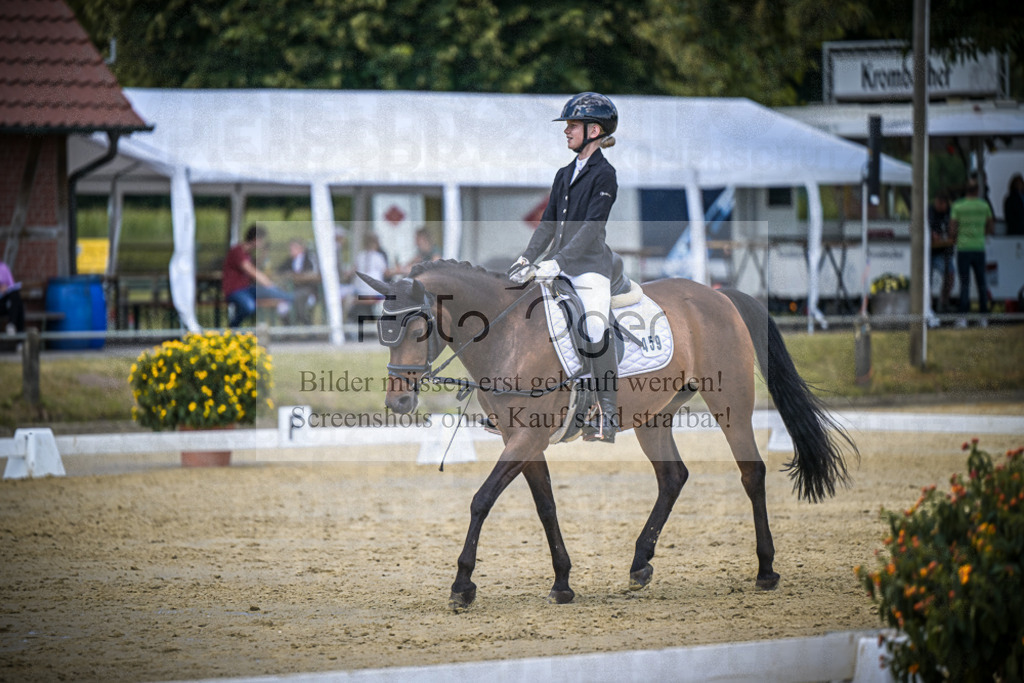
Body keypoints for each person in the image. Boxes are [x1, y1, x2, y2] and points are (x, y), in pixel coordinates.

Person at [508, 92, 620, 443]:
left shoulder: (605, 175)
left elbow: (591, 229)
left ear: (593, 130)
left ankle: (606, 412)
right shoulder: (563, 173)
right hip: (557, 265)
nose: (566, 131)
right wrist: (527, 259)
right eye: (568, 125)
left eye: (572, 125)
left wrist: (558, 262)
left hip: (589, 269)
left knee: (595, 328)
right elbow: (547, 223)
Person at [222, 224, 293, 328]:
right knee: (249, 306)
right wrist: (269, 284)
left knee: (279, 295)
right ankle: (231, 328)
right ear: (256, 239)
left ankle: (292, 299)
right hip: (234, 290)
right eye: (262, 240)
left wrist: (264, 254)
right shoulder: (237, 251)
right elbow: (252, 271)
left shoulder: (247, 254)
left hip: (246, 289)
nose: (262, 243)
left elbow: (256, 267)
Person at [950, 180, 995, 326]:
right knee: (982, 282)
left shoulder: (958, 206)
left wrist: (956, 238)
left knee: (965, 283)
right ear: (977, 191)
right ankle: (983, 317)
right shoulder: (984, 205)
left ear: (965, 190)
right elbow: (991, 226)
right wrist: (982, 233)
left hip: (963, 248)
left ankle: (963, 317)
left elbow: (952, 228)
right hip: (979, 247)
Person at [345, 232, 390, 340]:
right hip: (375, 293)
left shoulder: (360, 256)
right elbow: (386, 272)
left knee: (350, 300)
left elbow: (352, 271)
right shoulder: (378, 257)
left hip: (361, 292)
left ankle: (351, 331)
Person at [277, 239, 318, 325]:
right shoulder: (289, 260)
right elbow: (280, 271)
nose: (291, 251)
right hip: (293, 289)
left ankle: (303, 321)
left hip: (307, 289)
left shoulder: (309, 259)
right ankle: (289, 329)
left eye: (293, 248)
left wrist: (297, 277)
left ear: (301, 248)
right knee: (284, 301)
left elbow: (313, 274)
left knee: (297, 299)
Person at [927, 191, 955, 313]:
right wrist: (931, 234)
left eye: (941, 204)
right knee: (928, 280)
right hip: (930, 252)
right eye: (937, 203)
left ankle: (943, 302)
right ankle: (929, 304)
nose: (939, 206)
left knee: (950, 275)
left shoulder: (950, 211)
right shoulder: (929, 211)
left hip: (945, 250)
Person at [0, 259, 25, 336]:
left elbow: (12, 285)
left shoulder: (3, 267)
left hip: (6, 302)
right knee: (19, 306)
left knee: (15, 295)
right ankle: (20, 341)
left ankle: (11, 325)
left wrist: (6, 288)